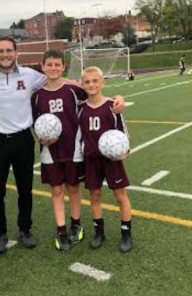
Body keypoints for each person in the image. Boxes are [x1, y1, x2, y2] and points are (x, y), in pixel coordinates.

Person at [0, 36, 126, 254]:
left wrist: (117, 97)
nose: (5, 54)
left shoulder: (31, 76)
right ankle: (0, 234)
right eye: (1, 51)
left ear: (16, 52)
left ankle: (25, 230)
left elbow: (80, 86)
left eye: (9, 50)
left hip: (25, 140)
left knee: (25, 189)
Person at [31, 50, 88, 251]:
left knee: (73, 187)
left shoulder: (74, 90)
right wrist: (39, 137)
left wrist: (118, 99)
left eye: (57, 64)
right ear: (43, 66)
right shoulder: (37, 96)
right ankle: (61, 230)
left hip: (73, 148)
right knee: (56, 190)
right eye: (49, 64)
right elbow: (34, 123)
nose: (53, 68)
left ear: (63, 66)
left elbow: (95, 94)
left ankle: (76, 223)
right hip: (50, 151)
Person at [78, 66, 132, 253]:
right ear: (82, 84)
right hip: (91, 159)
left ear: (103, 82)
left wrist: (125, 150)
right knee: (94, 196)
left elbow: (122, 131)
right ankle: (99, 232)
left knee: (120, 196)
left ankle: (126, 234)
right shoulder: (81, 109)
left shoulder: (113, 106)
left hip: (112, 159)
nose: (91, 84)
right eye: (87, 81)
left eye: (95, 81)